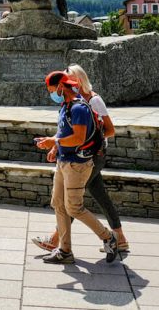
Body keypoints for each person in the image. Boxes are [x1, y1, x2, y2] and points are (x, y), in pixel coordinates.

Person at [31, 64, 130, 253]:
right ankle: (119, 238)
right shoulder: (68, 103)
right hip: (74, 155)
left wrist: (89, 141)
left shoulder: (91, 101)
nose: (67, 81)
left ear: (78, 79)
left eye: (70, 78)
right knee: (97, 197)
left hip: (90, 156)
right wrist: (57, 144)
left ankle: (57, 240)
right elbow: (65, 131)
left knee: (73, 203)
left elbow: (109, 130)